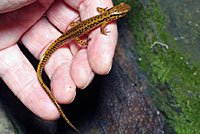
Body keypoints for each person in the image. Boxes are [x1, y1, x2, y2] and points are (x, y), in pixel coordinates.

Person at [0, 0, 118, 120]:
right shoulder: (105, 21)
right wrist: (89, 39)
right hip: (74, 33)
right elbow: (102, 28)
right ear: (115, 15)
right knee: (79, 41)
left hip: (73, 30)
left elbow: (99, 10)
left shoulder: (104, 14)